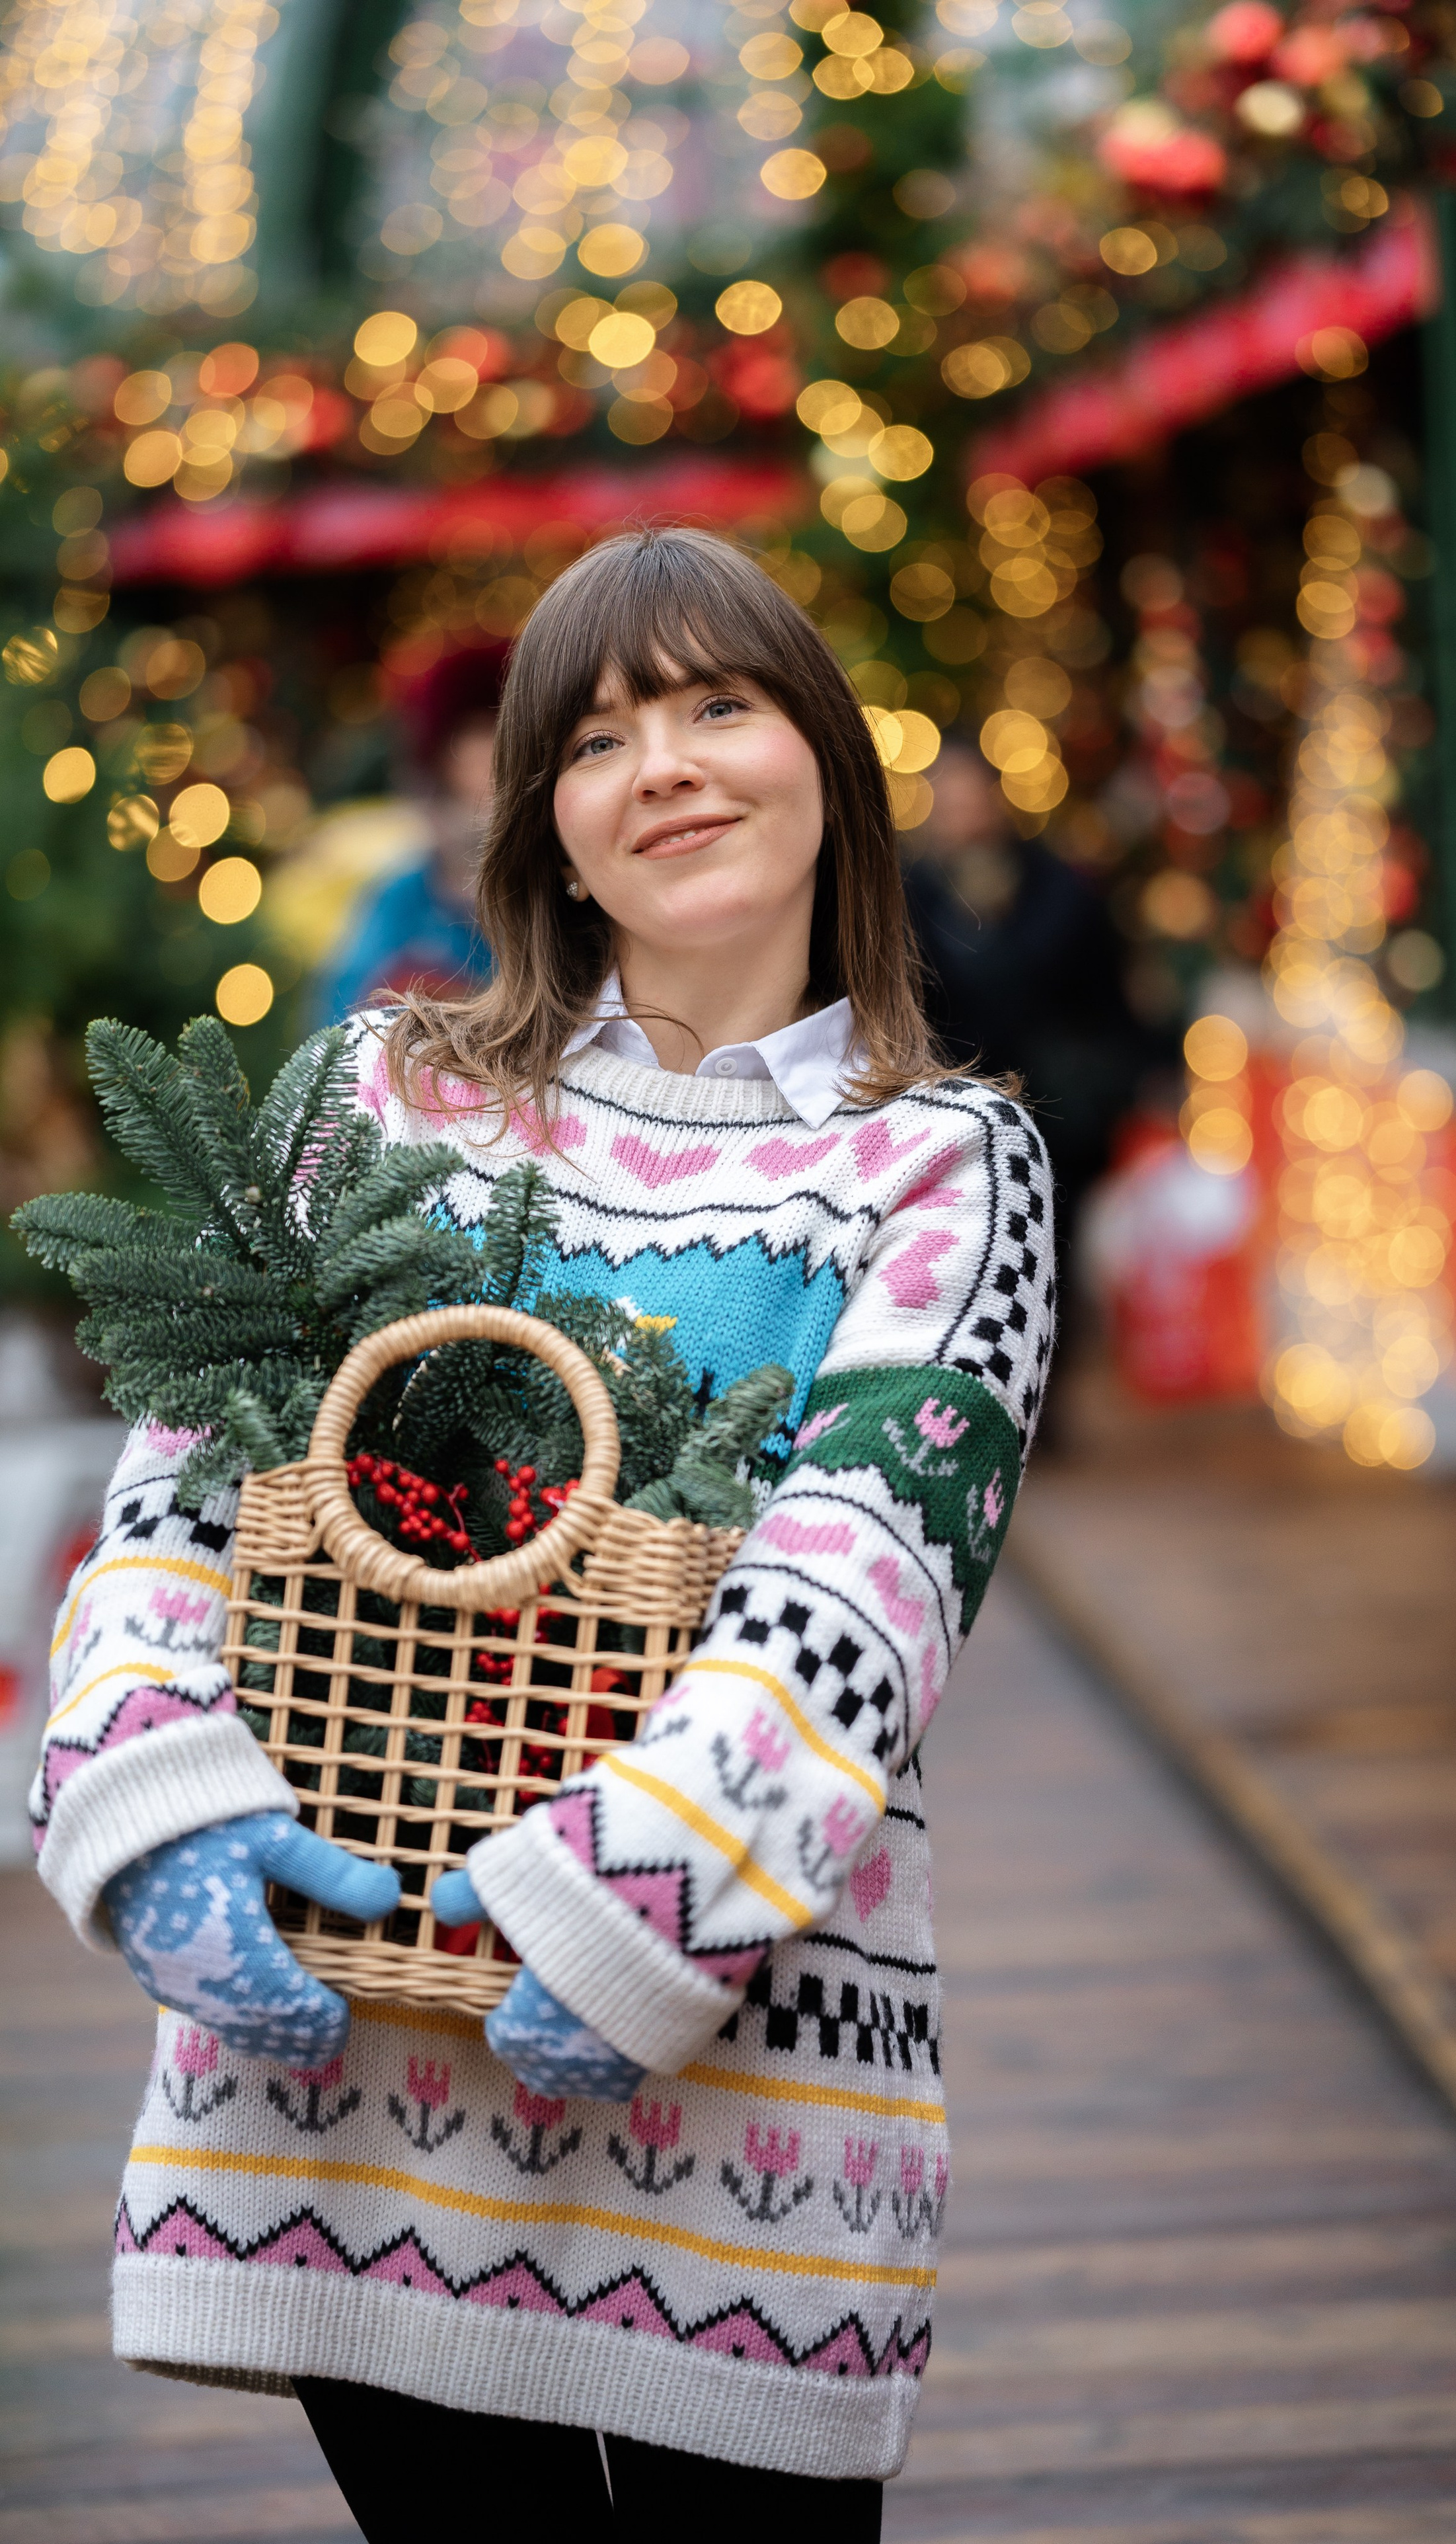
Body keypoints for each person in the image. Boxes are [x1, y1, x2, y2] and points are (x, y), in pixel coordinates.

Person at [32, 530, 1055, 2540]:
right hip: (340, 2080)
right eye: (595, 737)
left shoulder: (942, 1156)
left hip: (738, 2102)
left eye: (716, 704)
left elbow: (868, 1574)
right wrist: (151, 1800)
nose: (660, 763)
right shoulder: (384, 1091)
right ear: (544, 833)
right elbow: (178, 1482)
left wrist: (623, 1903)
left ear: (827, 766)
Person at [904, 734, 1149, 1274]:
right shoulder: (907, 896)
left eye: (971, 796)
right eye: (950, 798)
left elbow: (1104, 1003)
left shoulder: (1062, 890)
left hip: (1057, 1119)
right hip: (948, 1119)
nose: (961, 812)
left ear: (996, 798)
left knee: (1050, 1268)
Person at [309, 645, 503, 1027]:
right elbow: (335, 1039)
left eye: (500, 737)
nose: (490, 766)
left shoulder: (566, 889)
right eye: (471, 744)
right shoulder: (401, 902)